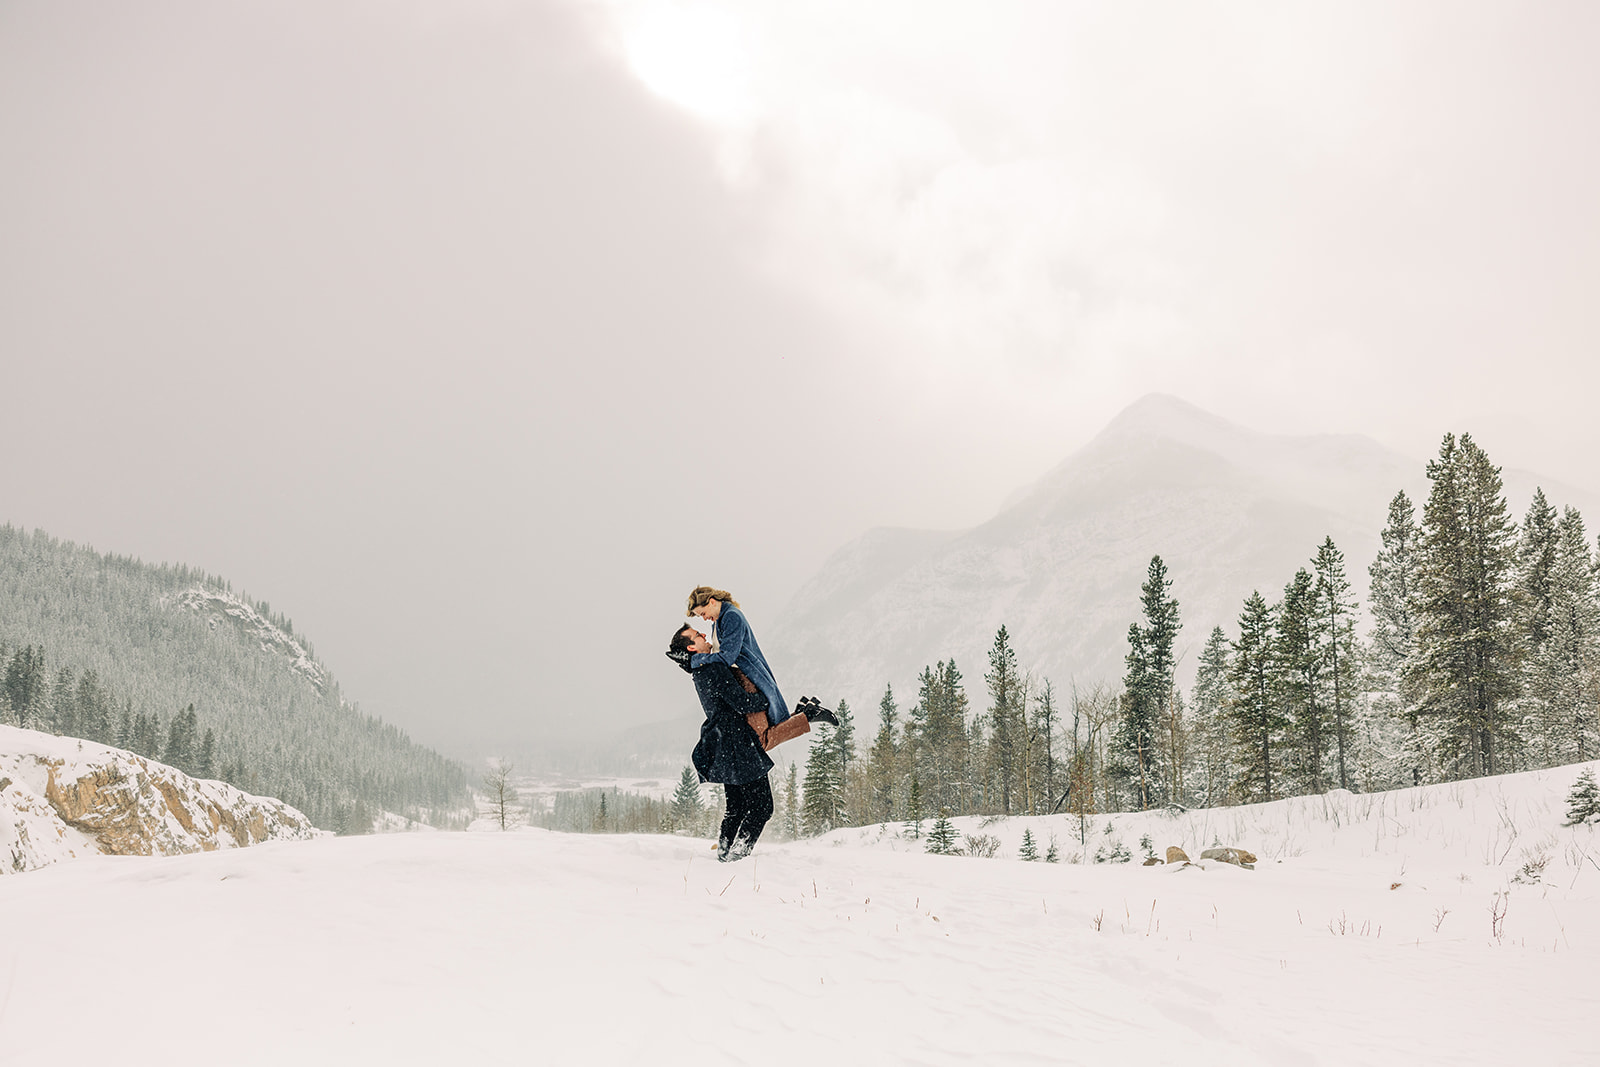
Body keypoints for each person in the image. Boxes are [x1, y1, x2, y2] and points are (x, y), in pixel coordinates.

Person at [666, 623, 775, 861]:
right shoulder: (712, 667)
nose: (704, 634)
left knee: (736, 807)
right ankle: (737, 856)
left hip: (721, 742)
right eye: (697, 635)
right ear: (693, 647)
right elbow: (743, 703)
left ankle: (725, 852)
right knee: (762, 807)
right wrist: (766, 700)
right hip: (737, 742)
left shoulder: (699, 670)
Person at [685, 585, 838, 727]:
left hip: (746, 678)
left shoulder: (731, 617)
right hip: (739, 678)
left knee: (761, 736)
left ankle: (808, 715)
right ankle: (805, 713)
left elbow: (727, 657)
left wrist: (697, 660)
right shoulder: (720, 620)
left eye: (703, 613)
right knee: (764, 730)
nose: (704, 618)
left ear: (711, 602)